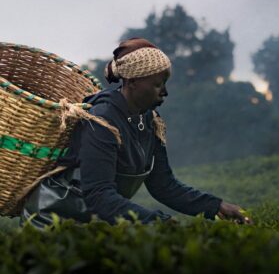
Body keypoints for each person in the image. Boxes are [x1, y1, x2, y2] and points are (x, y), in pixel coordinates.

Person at [20, 37, 252, 228]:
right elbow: (99, 194)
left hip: (93, 223)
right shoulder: (101, 121)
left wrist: (216, 206)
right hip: (51, 224)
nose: (165, 93)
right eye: (158, 84)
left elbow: (163, 185)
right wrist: (156, 222)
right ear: (131, 82)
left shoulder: (151, 121)